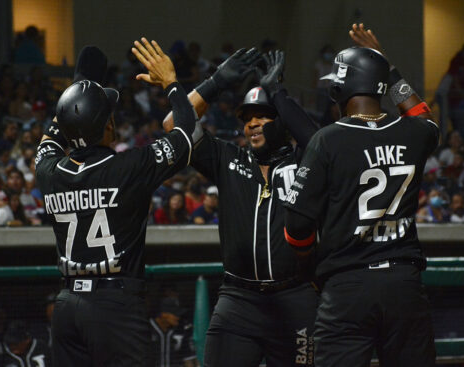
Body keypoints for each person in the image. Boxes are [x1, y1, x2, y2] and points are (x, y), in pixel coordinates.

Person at [35, 39, 197, 366]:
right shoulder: (128, 167)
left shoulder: (49, 172)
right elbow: (186, 132)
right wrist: (172, 83)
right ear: (108, 125)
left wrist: (75, 99)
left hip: (67, 305)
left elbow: (50, 140)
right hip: (114, 306)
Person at [283, 24, 437, 366]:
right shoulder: (414, 132)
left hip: (348, 285)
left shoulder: (328, 139)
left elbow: (296, 227)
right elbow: (421, 114)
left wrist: (308, 270)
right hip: (404, 283)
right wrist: (388, 67)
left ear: (342, 86)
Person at [163, 49, 320, 367]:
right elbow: (172, 124)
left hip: (296, 297)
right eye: (247, 118)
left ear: (283, 120)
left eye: (263, 115)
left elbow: (320, 142)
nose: (252, 124)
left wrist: (279, 93)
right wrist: (215, 82)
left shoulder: (304, 161)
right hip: (238, 300)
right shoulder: (228, 158)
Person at [148, 297, 198, 367]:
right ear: (163, 315)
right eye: (175, 314)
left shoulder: (182, 330)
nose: (178, 317)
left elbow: (188, 359)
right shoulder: (146, 329)